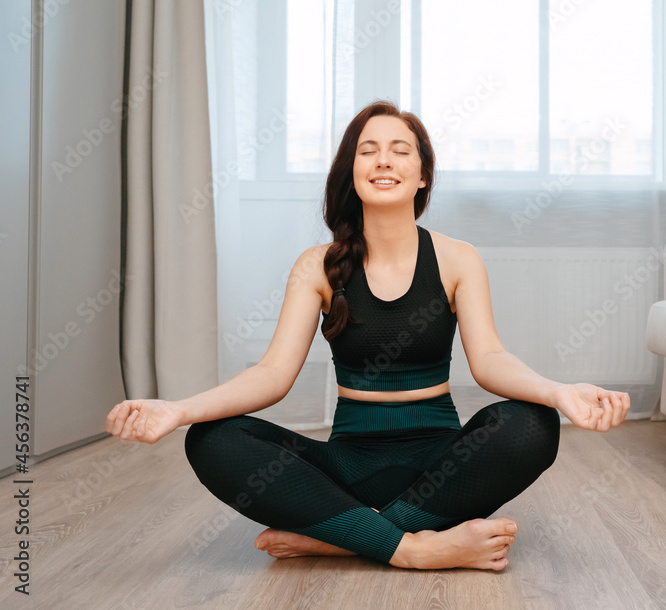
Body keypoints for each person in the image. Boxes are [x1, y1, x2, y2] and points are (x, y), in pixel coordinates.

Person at [105, 100, 630, 571]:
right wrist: (179, 410)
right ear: (350, 172)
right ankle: (417, 548)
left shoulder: (457, 258)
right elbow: (271, 375)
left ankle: (343, 538)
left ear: (422, 174)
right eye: (368, 151)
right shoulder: (317, 266)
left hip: (441, 469)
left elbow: (490, 359)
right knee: (211, 437)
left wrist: (560, 393)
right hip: (346, 468)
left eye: (401, 151)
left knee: (533, 422)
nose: (384, 161)